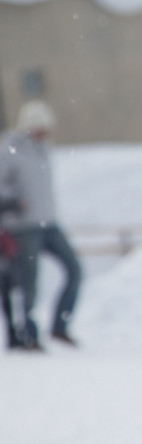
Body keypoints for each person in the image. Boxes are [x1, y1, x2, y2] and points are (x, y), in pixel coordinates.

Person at [0, 100, 83, 350]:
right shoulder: (10, 150)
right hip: (22, 227)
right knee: (28, 283)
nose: (43, 132)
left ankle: (60, 325)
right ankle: (28, 335)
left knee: (74, 270)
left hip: (48, 222)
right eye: (39, 127)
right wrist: (14, 201)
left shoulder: (43, 149)